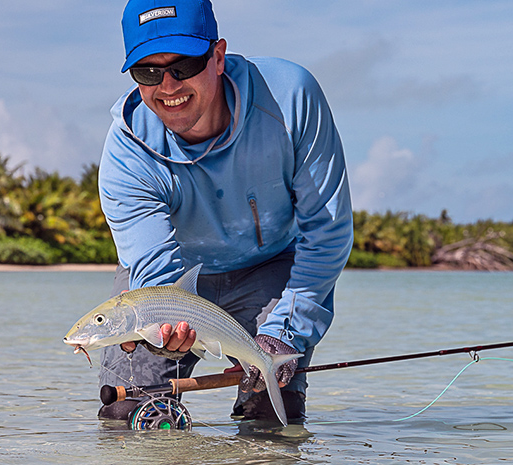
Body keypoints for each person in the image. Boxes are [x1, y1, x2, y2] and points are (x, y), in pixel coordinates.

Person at [97, 0, 353, 423]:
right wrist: (165, 332)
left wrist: (284, 332)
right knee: (127, 415)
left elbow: (326, 233)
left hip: (270, 269)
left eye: (184, 65)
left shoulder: (290, 98)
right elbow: (155, 274)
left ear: (217, 57)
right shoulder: (127, 154)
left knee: (272, 414)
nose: (168, 86)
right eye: (148, 72)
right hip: (171, 280)